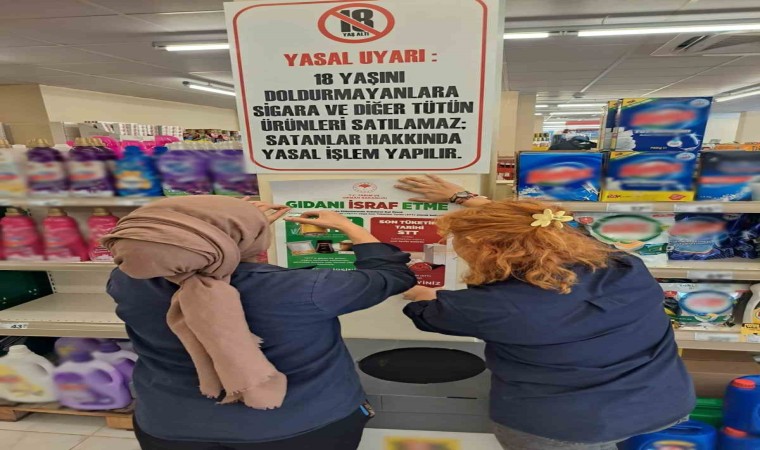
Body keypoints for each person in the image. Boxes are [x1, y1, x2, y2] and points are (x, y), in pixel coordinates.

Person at [394, 175, 695, 450]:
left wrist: (421, 292)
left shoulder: (493, 306)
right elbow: (549, 226)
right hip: (661, 402)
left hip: (563, 426)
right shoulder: (623, 265)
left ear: (489, 252)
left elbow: (426, 311)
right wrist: (466, 199)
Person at [104, 196, 416, 450]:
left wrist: (225, 230)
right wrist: (348, 226)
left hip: (169, 425)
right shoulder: (306, 288)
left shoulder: (127, 282)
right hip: (300, 428)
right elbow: (393, 275)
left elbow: (170, 254)